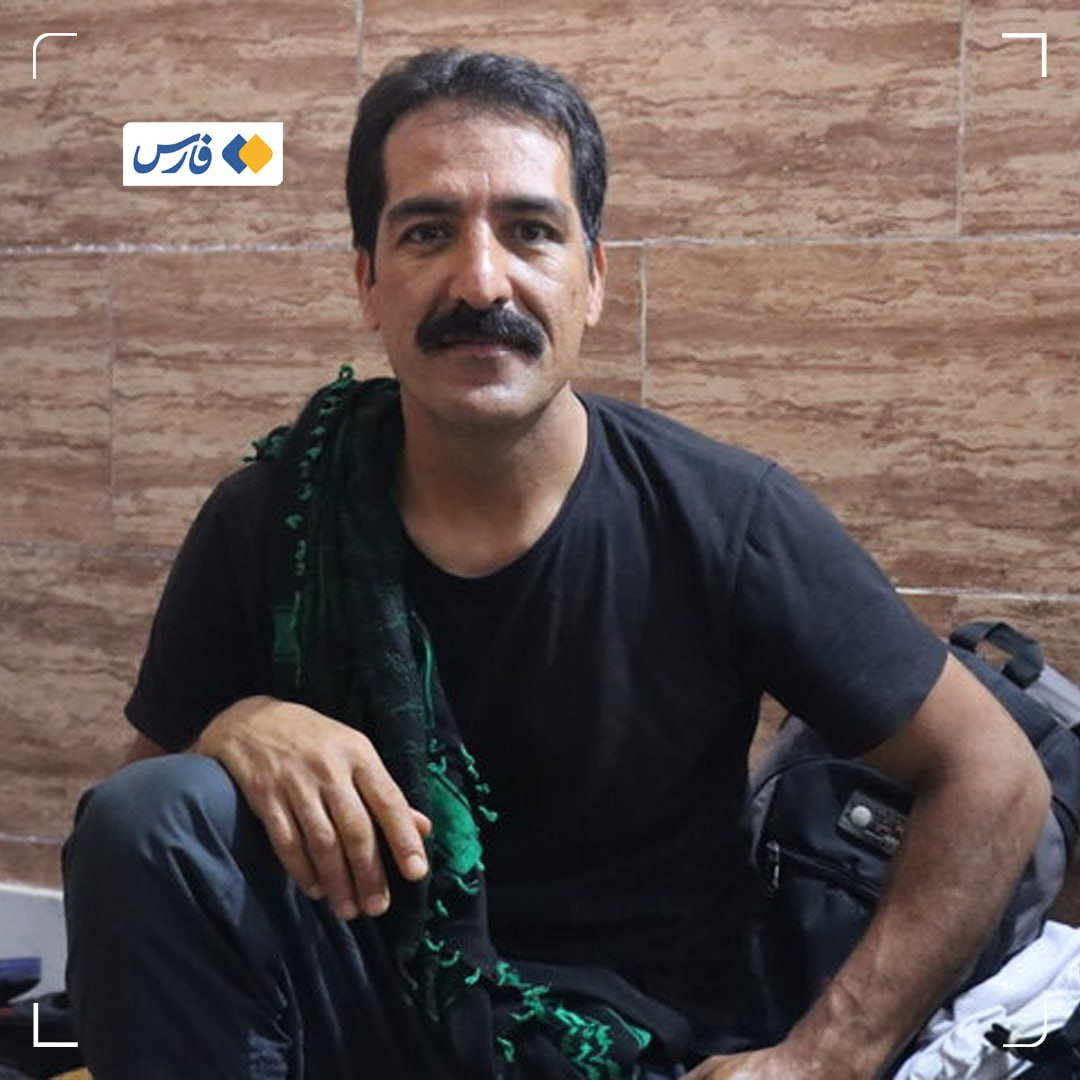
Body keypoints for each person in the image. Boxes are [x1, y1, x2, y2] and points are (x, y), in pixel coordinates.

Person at [63, 48, 1051, 1080]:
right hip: (371, 1001)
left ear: (593, 280)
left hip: (629, 1043)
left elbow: (992, 773)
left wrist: (828, 1054)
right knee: (150, 814)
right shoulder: (281, 513)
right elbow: (141, 845)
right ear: (367, 282)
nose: (481, 281)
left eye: (531, 231)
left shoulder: (724, 516)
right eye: (428, 232)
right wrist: (233, 726)